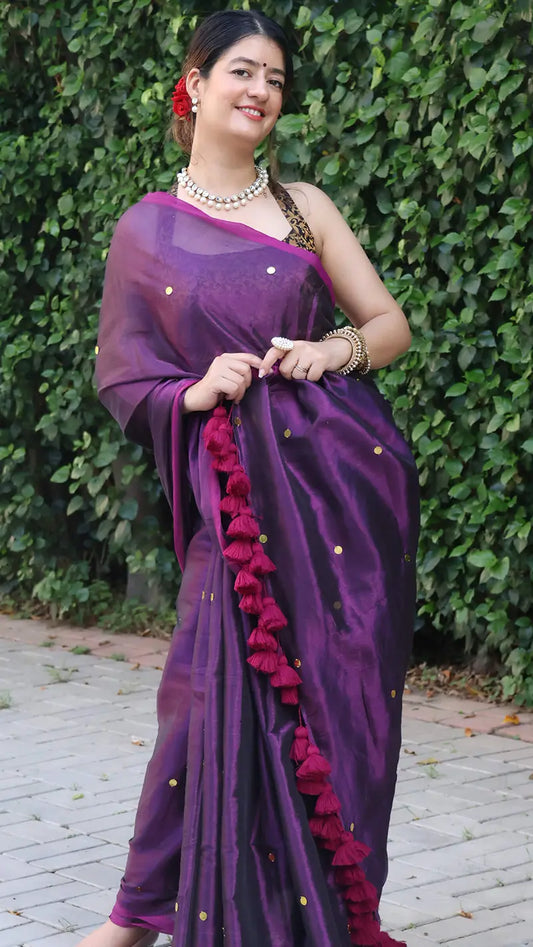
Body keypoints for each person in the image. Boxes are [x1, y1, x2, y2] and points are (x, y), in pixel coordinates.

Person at [85, 9, 419, 947]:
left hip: (340, 494)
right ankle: (135, 919)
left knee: (336, 704)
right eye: (241, 70)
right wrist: (195, 389)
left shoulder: (306, 207)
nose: (259, 91)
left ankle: (318, 918)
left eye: (274, 78)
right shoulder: (146, 230)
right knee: (203, 698)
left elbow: (388, 325)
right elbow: (121, 373)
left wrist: (329, 348)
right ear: (193, 83)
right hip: (235, 503)